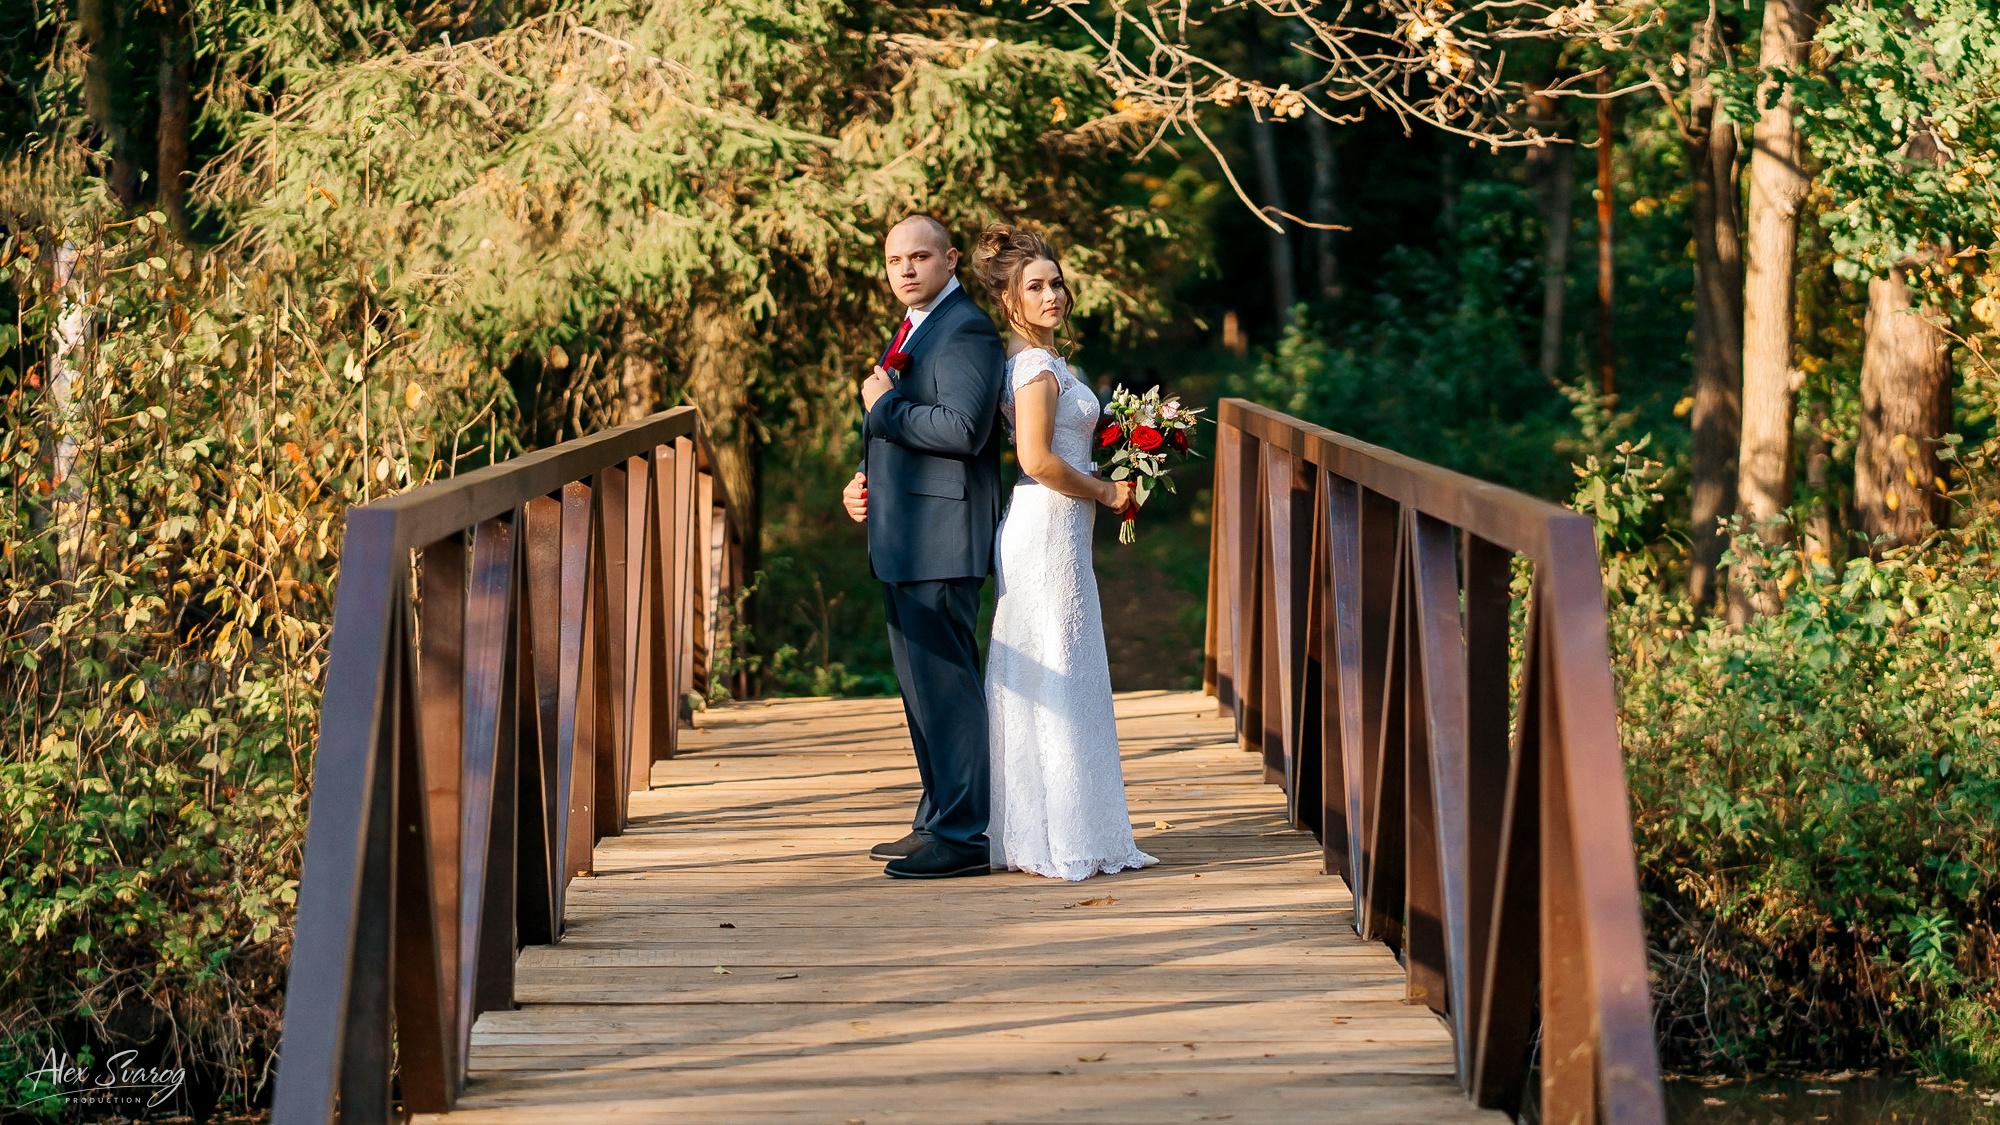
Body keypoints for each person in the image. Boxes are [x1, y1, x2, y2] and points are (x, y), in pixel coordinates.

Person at [971, 224, 1157, 881]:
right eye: (1035, 287)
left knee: (1064, 666)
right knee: (1053, 666)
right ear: (1009, 300)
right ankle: (1058, 834)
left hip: (1060, 529)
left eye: (1056, 283)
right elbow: (1036, 459)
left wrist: (1126, 454)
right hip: (1045, 528)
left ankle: (1061, 826)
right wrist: (1106, 490)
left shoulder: (1049, 360)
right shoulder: (1032, 366)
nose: (1052, 295)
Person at [841, 216, 1006, 879]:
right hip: (904, 534)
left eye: (919, 256)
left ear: (951, 258)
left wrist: (882, 409)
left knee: (948, 691)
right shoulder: (915, 325)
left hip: (941, 537)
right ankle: (936, 818)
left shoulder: (965, 328)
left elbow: (963, 430)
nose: (905, 270)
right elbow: (902, 431)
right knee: (920, 691)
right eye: (894, 260)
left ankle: (964, 837)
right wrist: (864, 480)